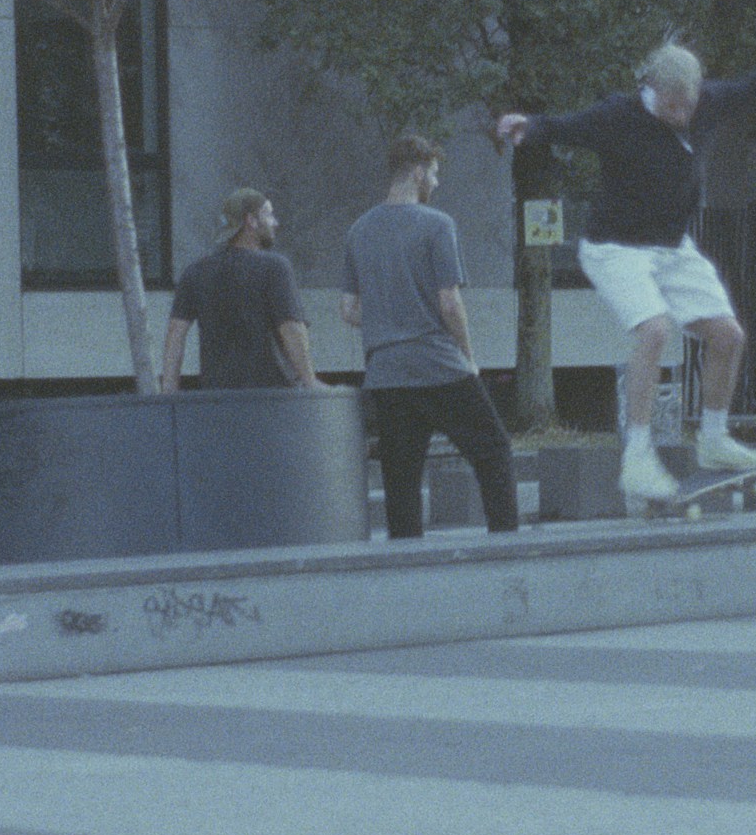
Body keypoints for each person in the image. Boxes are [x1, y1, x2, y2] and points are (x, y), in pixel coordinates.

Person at [492, 28, 756, 503]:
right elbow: (567, 126)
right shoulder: (617, 116)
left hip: (673, 247)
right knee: (654, 330)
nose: (685, 115)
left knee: (728, 336)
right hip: (614, 248)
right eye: (676, 106)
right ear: (654, 90)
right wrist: (528, 126)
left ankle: (713, 439)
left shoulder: (705, 101)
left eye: (690, 105)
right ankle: (637, 457)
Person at [342, 132, 520, 538]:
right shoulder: (438, 225)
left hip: (385, 372)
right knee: (493, 451)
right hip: (438, 364)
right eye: (435, 174)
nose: (437, 184)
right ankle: (505, 542)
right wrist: (469, 358)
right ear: (419, 173)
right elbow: (449, 303)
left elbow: (349, 310)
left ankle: (406, 560)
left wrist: (390, 318)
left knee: (401, 476)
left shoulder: (359, 230)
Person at [161, 188, 320, 393]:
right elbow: (291, 328)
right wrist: (310, 381)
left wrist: (169, 389)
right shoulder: (275, 267)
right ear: (251, 221)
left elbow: (176, 332)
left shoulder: (195, 272)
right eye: (269, 214)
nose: (275, 223)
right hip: (274, 398)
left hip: (217, 399)